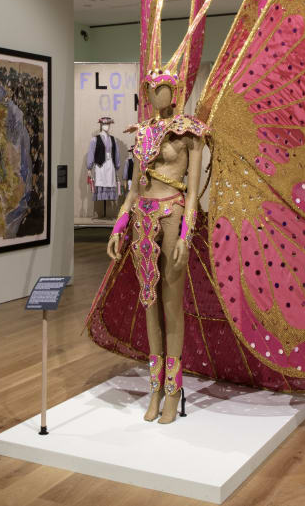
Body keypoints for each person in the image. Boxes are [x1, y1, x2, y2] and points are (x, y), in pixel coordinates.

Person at [106, 71, 205, 423]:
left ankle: (173, 389)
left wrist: (185, 234)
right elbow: (134, 189)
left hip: (173, 214)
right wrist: (119, 225)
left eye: (162, 88)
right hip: (142, 218)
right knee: (148, 302)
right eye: (151, 88)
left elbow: (192, 191)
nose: (156, 94)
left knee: (171, 303)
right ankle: (155, 386)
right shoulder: (143, 132)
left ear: (174, 90)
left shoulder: (190, 133)